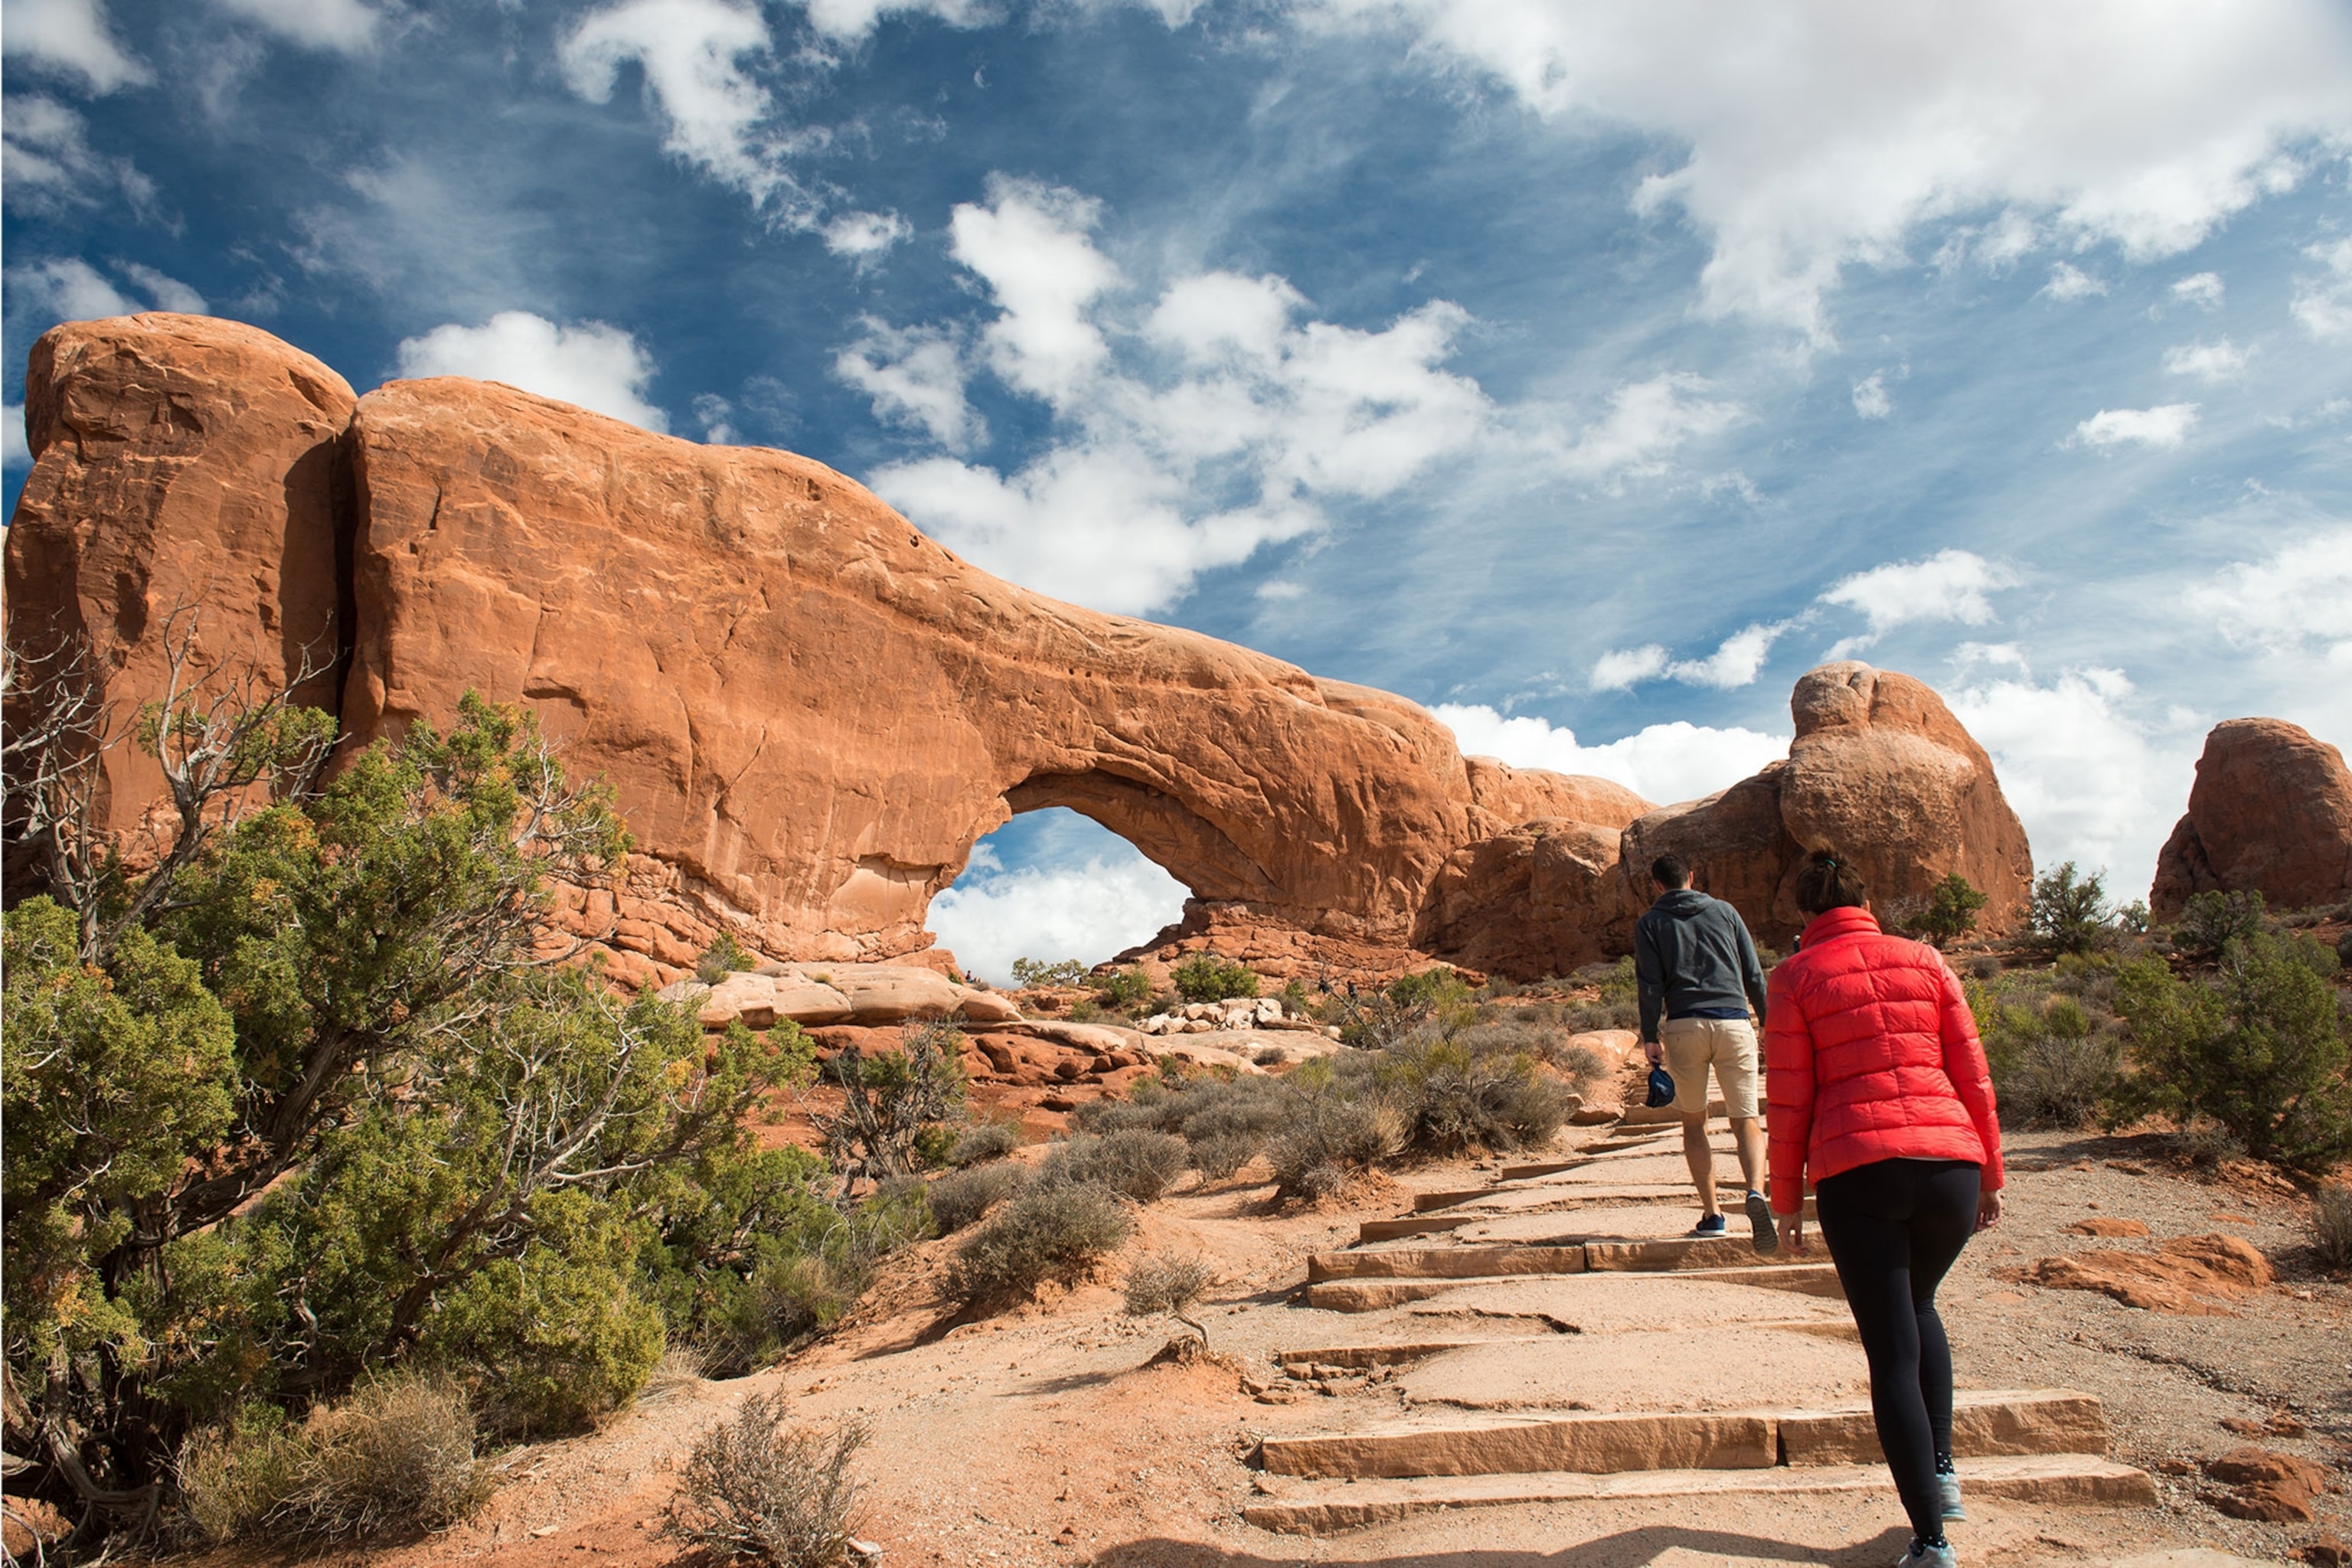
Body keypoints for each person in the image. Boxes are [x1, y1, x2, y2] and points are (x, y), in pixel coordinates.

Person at [1765, 850, 2005, 1568]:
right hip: (1949, 1167)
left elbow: (1789, 1096)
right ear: (1867, 900)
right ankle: (1944, 1473)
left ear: (1805, 914)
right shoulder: (1925, 959)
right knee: (1921, 1305)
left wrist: (1786, 1201)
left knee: (1892, 1351)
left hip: (1859, 1172)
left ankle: (1932, 1541)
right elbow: (1971, 1068)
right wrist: (1990, 1172)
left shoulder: (1795, 976)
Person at [1633, 852, 1774, 1252]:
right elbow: (1752, 972)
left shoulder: (1650, 923)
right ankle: (1755, 1193)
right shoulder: (1726, 912)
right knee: (1746, 1119)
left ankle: (1713, 1215)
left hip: (1684, 1025)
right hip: (1733, 1022)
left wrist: (1649, 1035)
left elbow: (1649, 984)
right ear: (1691, 877)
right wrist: (1767, 1022)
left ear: (1657, 884)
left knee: (1695, 1123)